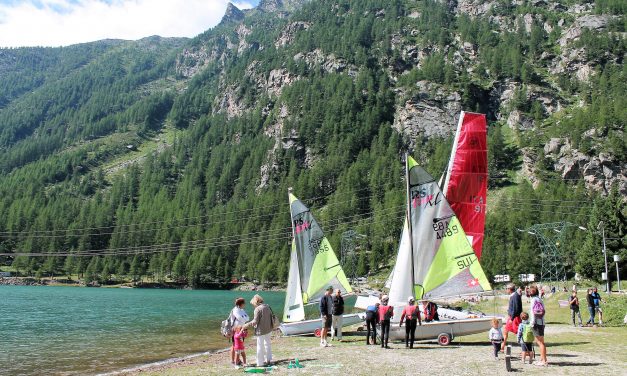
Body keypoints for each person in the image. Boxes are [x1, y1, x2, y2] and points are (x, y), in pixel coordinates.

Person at [245, 294, 273, 367]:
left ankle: (260, 363)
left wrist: (246, 325)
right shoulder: (267, 306)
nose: (253, 306)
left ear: (256, 302)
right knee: (268, 344)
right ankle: (269, 360)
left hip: (261, 330)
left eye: (253, 304)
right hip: (269, 328)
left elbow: (255, 321)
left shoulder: (257, 309)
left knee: (260, 346)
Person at [529, 285, 547, 366]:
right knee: (542, 342)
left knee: (540, 342)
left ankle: (543, 361)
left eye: (529, 291)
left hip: (536, 323)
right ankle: (543, 358)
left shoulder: (533, 300)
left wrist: (532, 323)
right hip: (542, 322)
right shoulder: (540, 299)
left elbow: (533, 313)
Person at [502, 283, 522, 351]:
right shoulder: (513, 295)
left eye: (506, 289)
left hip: (515, 317)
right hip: (512, 317)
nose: (506, 290)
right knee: (505, 331)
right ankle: (502, 346)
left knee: (520, 333)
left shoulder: (515, 296)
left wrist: (512, 318)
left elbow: (516, 308)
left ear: (509, 289)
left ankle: (526, 349)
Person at [230, 297, 249, 366]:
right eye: (244, 303)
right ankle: (233, 361)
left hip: (241, 329)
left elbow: (247, 318)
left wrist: (244, 318)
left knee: (239, 344)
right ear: (241, 304)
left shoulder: (241, 310)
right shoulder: (235, 310)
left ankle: (237, 360)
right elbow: (240, 318)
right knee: (234, 345)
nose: (245, 304)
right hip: (235, 330)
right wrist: (244, 318)